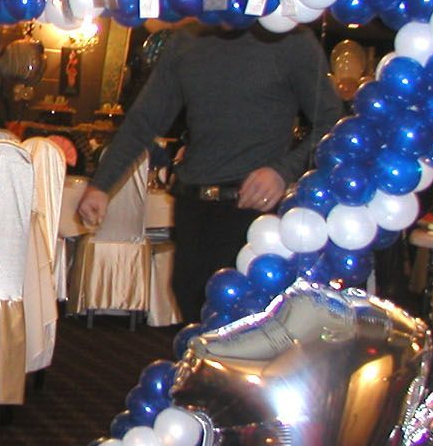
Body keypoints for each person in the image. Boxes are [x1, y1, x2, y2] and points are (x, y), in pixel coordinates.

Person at [75, 22, 342, 321]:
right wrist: (101, 185)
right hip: (194, 207)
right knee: (193, 312)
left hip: (253, 212)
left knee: (246, 327)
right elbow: (143, 122)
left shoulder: (290, 39)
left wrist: (283, 171)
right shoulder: (188, 39)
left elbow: (332, 123)